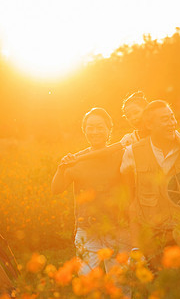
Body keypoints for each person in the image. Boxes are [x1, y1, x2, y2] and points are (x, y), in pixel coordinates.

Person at [120, 100, 180, 267]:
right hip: (152, 239)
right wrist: (136, 247)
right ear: (149, 124)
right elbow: (132, 200)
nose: (172, 123)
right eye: (165, 119)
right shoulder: (132, 153)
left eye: (172, 117)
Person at [51, 108, 131, 275]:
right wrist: (61, 168)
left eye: (100, 127)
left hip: (117, 229)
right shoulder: (78, 159)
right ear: (85, 130)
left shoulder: (122, 154)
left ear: (109, 129)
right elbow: (56, 189)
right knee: (86, 282)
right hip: (87, 231)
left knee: (120, 286)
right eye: (91, 127)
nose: (95, 132)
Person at [63, 91, 180, 165]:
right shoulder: (132, 138)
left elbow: (178, 137)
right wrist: (77, 157)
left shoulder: (162, 129)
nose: (133, 118)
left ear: (147, 110)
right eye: (128, 116)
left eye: (136, 112)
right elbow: (106, 151)